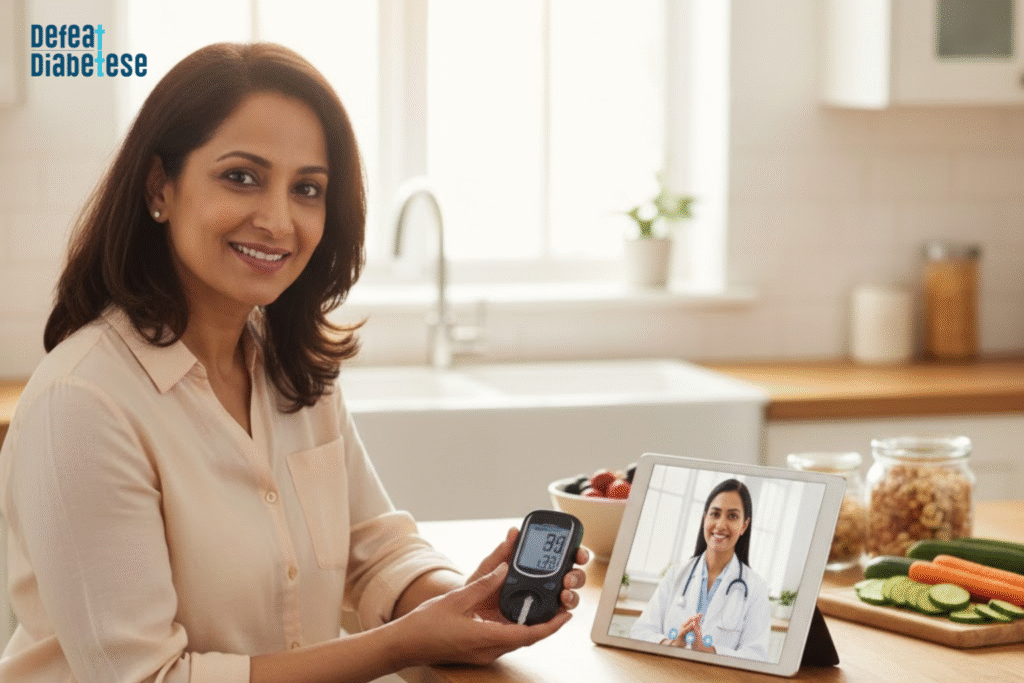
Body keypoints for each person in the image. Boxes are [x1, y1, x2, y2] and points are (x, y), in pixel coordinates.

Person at [0, 42, 587, 683]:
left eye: (307, 189)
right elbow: (146, 678)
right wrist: (403, 644)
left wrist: (461, 603)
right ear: (158, 187)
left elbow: (372, 549)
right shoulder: (84, 403)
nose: (279, 220)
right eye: (241, 177)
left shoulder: (290, 366)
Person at [630, 479, 770, 661]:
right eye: (715, 514)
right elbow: (640, 631)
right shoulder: (676, 574)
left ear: (744, 525)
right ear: (705, 518)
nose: (720, 524)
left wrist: (710, 651)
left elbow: (757, 655)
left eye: (732, 516)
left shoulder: (756, 587)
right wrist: (672, 644)